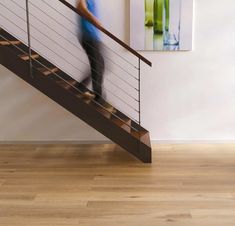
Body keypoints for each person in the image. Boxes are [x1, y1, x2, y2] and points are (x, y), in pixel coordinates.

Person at [76, 0, 105, 101]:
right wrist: (95, 21)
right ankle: (98, 97)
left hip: (94, 36)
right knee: (97, 65)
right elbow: (80, 6)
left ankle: (81, 86)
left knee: (101, 64)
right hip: (88, 35)